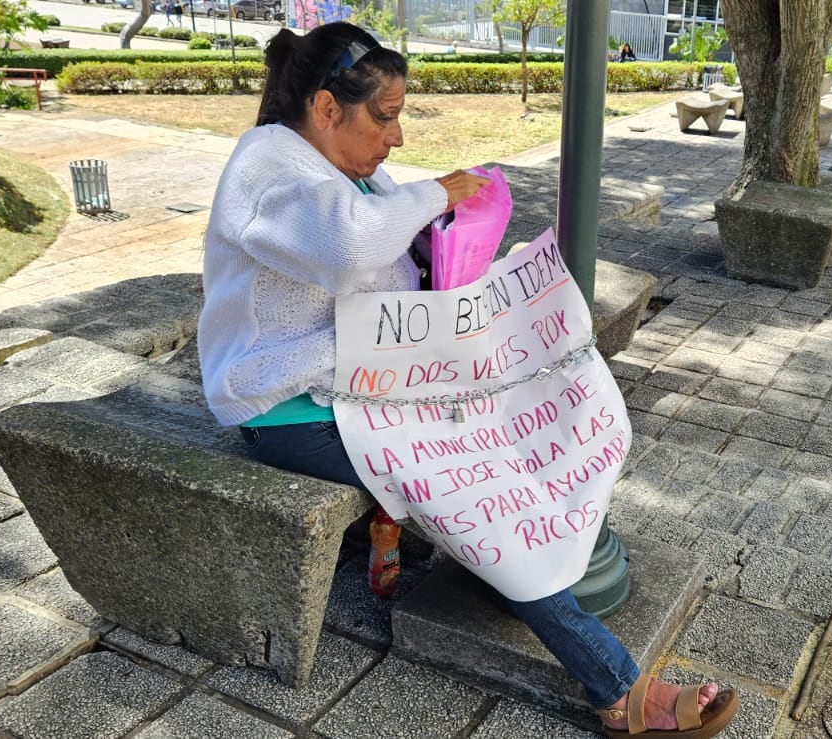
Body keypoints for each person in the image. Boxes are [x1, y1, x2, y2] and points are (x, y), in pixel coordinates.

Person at [196, 22, 740, 739]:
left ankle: (521, 562)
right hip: (284, 404)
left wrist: (450, 232)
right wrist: (438, 194)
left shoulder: (344, 167)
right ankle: (616, 686)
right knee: (473, 476)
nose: (395, 139)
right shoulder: (267, 166)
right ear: (327, 108)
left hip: (354, 385)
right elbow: (351, 247)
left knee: (506, 424)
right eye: (384, 117)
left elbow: (385, 251)